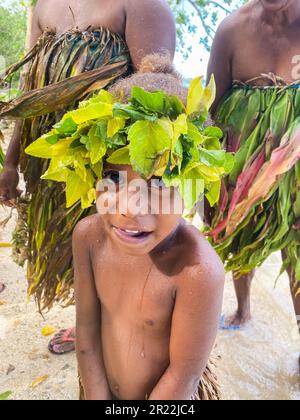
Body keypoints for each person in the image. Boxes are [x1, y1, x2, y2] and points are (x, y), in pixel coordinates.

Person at [25, 54, 227, 400]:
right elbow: (87, 332)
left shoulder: (197, 271)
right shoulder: (88, 236)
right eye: (112, 178)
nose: (131, 207)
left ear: (193, 186)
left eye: (160, 183)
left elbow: (182, 377)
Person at [0, 0, 176, 353]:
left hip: (107, 167)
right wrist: (11, 162)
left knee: (112, 245)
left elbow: (155, 98)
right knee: (76, 247)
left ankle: (118, 331)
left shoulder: (141, 5)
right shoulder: (43, 8)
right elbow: (28, 90)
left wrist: (129, 189)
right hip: (49, 163)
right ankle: (91, 322)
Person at [207, 0, 300, 344]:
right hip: (240, 166)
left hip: (296, 174)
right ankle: (243, 309)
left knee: (297, 251)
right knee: (238, 233)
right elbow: (210, 110)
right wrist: (211, 183)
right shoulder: (232, 30)